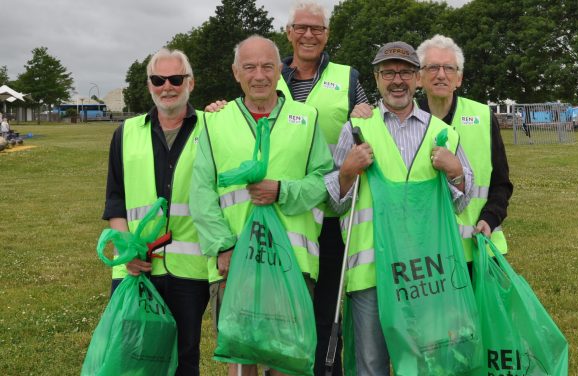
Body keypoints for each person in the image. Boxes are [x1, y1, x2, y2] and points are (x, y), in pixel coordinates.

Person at [205, 3, 369, 374]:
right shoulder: (269, 72)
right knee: (248, 335)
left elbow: (365, 122)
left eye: (318, 28)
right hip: (262, 223)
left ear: (327, 34)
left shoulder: (347, 78)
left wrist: (365, 113)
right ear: (289, 32)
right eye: (301, 27)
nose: (309, 34)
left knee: (319, 319)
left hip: (323, 218)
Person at [327, 41, 473, 375]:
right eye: (388, 72)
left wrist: (456, 172)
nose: (397, 80)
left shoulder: (444, 134)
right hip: (371, 274)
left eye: (405, 72)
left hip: (426, 274)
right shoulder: (355, 131)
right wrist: (348, 171)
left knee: (427, 362)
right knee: (371, 365)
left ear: (418, 78)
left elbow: (463, 201)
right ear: (377, 79)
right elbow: (334, 203)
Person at [190, 35, 333, 376]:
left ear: (280, 70)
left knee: (287, 360)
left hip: (292, 266)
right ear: (236, 73)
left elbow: (323, 182)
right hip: (235, 263)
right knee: (242, 361)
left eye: (268, 66)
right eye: (250, 67)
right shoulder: (215, 122)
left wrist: (282, 190)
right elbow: (201, 191)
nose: (259, 75)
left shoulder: (307, 119)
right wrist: (223, 246)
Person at [102, 48, 209, 376]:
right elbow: (116, 200)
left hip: (189, 272)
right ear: (149, 85)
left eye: (176, 79)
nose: (167, 86)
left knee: (184, 356)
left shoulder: (212, 127)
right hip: (136, 269)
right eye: (158, 79)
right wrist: (126, 251)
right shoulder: (125, 132)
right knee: (133, 357)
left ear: (189, 82)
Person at [415, 34, 513, 273]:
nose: (441, 74)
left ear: (458, 78)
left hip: (478, 248)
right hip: (425, 258)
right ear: (419, 77)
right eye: (432, 67)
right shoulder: (404, 120)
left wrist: (489, 219)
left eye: (449, 68)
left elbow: (501, 184)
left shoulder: (482, 117)